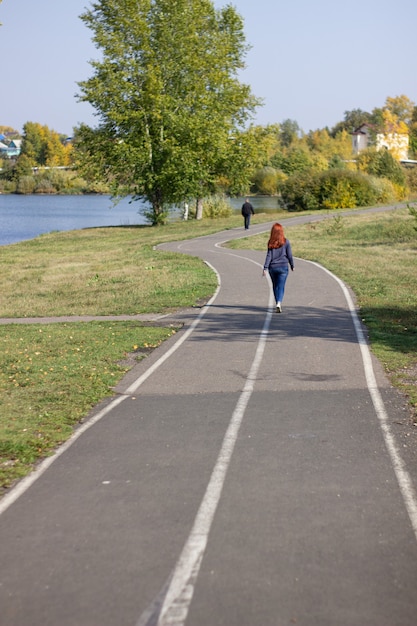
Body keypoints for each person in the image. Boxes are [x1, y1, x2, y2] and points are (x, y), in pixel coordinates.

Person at [262, 223, 294, 313]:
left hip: (273, 267)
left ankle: (277, 303)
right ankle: (279, 303)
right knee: (281, 286)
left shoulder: (270, 242)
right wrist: (292, 265)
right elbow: (289, 255)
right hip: (283, 267)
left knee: (275, 286)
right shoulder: (286, 241)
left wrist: (265, 267)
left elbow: (269, 256)